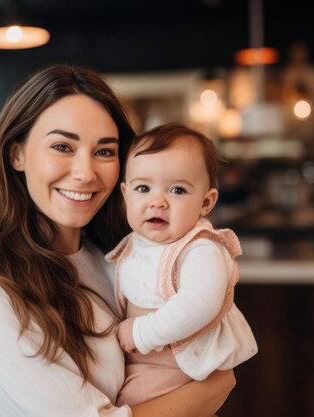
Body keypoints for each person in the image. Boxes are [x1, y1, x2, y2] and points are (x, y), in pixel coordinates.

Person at [0, 64, 236, 417]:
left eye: (105, 152)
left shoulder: (117, 256)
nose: (85, 173)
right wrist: (213, 387)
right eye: (63, 146)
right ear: (16, 154)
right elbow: (217, 377)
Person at [105, 123, 258, 406]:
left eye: (177, 190)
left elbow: (200, 302)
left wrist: (142, 332)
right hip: (143, 362)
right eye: (143, 188)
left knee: (128, 404)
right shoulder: (133, 243)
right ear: (125, 195)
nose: (158, 201)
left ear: (206, 202)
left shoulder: (200, 248)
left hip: (180, 365)